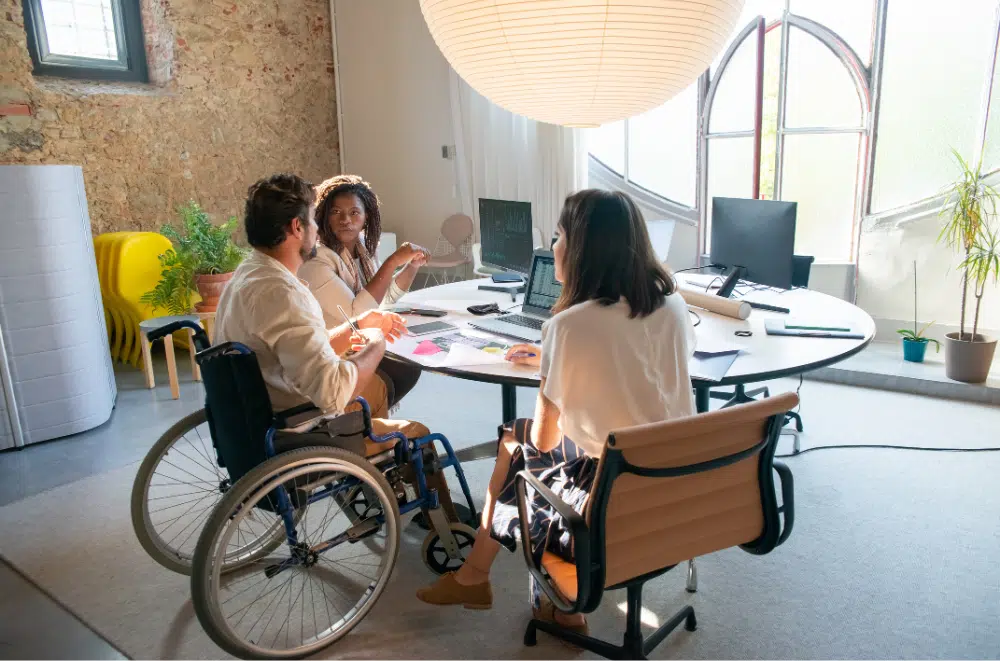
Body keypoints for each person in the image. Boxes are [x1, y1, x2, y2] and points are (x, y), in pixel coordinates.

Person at [416, 189, 697, 635]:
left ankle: (513, 588)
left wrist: (555, 362)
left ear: (583, 249)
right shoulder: (673, 305)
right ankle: (506, 587)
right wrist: (558, 357)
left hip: (610, 489)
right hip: (676, 478)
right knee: (525, 440)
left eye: (559, 236)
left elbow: (545, 442)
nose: (553, 248)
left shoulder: (569, 326)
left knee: (515, 443)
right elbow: (643, 368)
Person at [214, 173, 457, 515]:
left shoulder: (249, 274)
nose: (318, 228)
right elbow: (331, 392)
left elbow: (298, 345)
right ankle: (446, 529)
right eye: (315, 219)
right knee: (421, 432)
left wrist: (356, 325)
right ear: (298, 228)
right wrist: (374, 343)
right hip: (302, 429)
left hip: (254, 417)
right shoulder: (286, 293)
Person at [299, 174, 429, 409]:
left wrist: (411, 266)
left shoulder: (362, 251)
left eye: (354, 213)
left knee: (409, 360)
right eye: (336, 212)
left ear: (366, 217)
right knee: (400, 364)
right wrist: (392, 262)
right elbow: (358, 313)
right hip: (332, 357)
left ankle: (368, 422)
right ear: (323, 215)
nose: (345, 220)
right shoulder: (317, 260)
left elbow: (384, 298)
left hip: (357, 344)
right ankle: (360, 422)